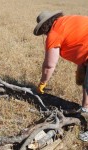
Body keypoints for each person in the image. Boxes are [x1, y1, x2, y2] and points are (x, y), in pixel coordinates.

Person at [33, 10, 88, 141]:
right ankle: (85, 111)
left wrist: (42, 84)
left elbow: (49, 65)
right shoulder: (69, 20)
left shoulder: (54, 33)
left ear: (44, 27)